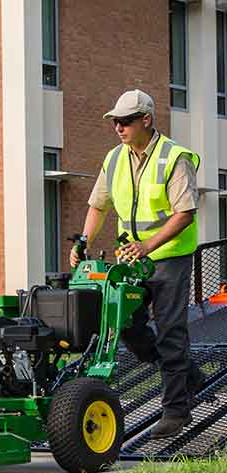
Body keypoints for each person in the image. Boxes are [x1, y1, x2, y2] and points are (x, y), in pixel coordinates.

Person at [71, 89, 203, 438]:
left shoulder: (174, 157)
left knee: (172, 329)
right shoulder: (114, 159)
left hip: (169, 256)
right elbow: (98, 205)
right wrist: (84, 241)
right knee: (126, 327)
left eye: (126, 121)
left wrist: (148, 245)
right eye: (115, 121)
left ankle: (176, 411)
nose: (118, 127)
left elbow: (185, 214)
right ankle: (187, 373)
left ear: (146, 120)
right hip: (132, 258)